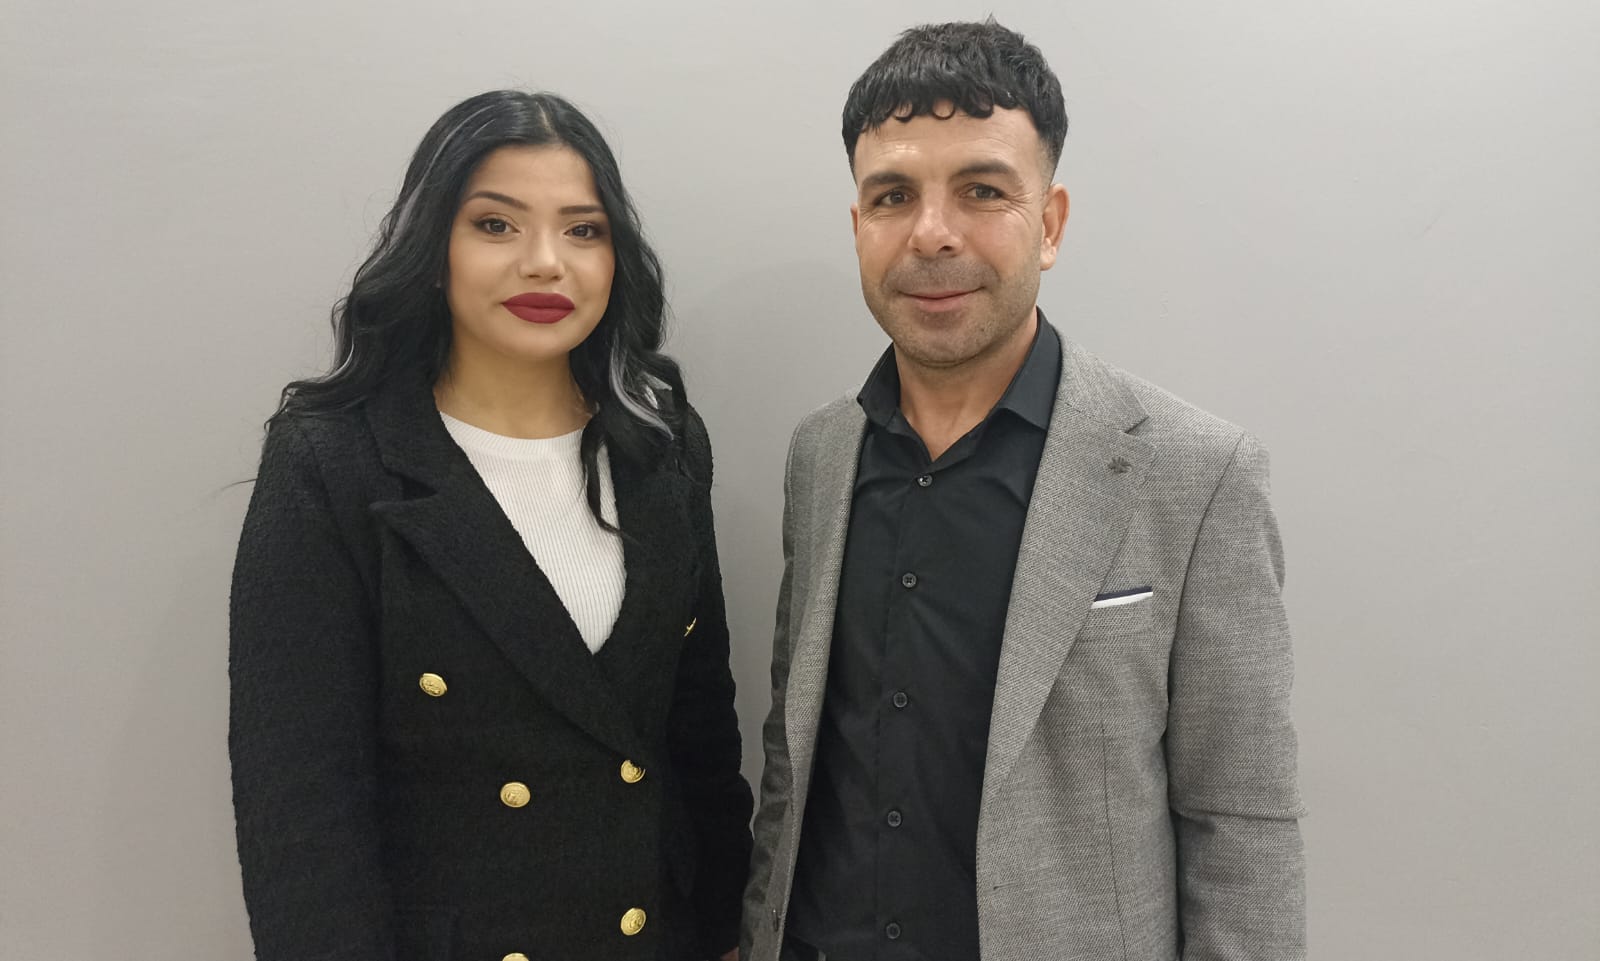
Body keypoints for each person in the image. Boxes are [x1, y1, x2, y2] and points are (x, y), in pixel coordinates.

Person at [743, 21, 1305, 961]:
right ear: (858, 226)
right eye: (893, 196)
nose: (932, 232)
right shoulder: (821, 454)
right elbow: (792, 758)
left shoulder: (1193, 473)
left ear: (1049, 224)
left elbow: (1241, 818)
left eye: (982, 190)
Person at [229, 90, 752, 961]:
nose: (545, 263)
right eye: (496, 225)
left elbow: (699, 728)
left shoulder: (661, 444)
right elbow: (299, 805)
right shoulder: (334, 461)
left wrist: (730, 928)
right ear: (434, 249)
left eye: (583, 229)